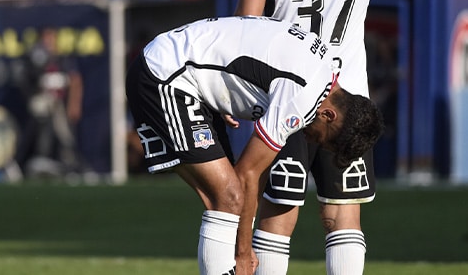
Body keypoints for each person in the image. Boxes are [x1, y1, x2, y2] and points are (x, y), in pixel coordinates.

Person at [233, 0, 385, 275]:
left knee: (278, 216)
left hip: (286, 94)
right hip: (348, 97)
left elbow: (248, 26)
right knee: (343, 215)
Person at [125, 16, 384, 275]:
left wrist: (221, 88)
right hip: (167, 76)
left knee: (226, 200)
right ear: (329, 116)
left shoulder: (325, 71)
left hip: (185, 73)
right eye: (324, 139)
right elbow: (249, 173)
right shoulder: (302, 98)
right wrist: (244, 253)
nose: (310, 139)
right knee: (228, 196)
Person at [21, 26, 85, 178]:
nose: (47, 42)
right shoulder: (36, 58)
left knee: (65, 136)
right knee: (41, 134)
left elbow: (75, 81)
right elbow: (29, 81)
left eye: (50, 38)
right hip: (42, 104)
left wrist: (73, 104)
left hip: (59, 104)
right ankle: (40, 163)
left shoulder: (63, 59)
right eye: (44, 38)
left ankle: (72, 166)